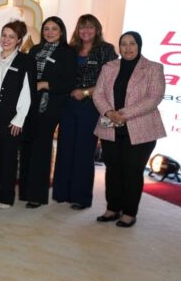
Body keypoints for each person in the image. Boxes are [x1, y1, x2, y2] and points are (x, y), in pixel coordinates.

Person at [93, 32, 166, 228]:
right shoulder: (109, 67)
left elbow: (154, 97)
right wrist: (109, 112)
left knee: (132, 170)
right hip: (110, 126)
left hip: (141, 129)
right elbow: (98, 94)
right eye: (123, 44)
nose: (127, 48)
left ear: (139, 45)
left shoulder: (153, 68)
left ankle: (129, 213)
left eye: (132, 43)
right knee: (113, 169)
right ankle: (112, 208)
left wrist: (123, 114)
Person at [52, 14, 117, 209]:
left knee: (83, 150)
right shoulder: (71, 49)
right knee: (65, 148)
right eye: (82, 27)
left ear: (97, 30)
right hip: (68, 104)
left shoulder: (106, 50)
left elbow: (110, 81)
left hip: (91, 106)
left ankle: (81, 197)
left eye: (90, 27)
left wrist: (86, 92)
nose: (86, 31)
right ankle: (62, 192)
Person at [19, 16, 76, 208]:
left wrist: (45, 84)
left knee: (41, 148)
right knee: (27, 146)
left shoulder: (68, 53)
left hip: (51, 106)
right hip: (30, 104)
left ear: (61, 32)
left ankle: (37, 195)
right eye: (46, 29)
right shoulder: (35, 50)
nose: (49, 32)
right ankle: (25, 191)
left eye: (54, 29)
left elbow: (69, 82)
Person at [0, 20, 35, 208]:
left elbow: (27, 92)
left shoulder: (25, 61)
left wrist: (19, 120)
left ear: (19, 40)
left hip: (11, 119)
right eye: (4, 35)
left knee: (8, 158)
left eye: (11, 37)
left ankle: (6, 197)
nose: (6, 39)